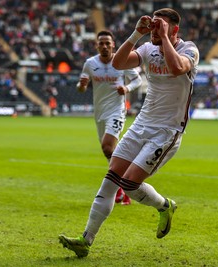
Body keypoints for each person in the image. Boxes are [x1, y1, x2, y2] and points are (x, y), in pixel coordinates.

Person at [59, 8, 199, 257]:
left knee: (131, 184)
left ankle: (165, 205)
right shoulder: (147, 49)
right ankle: (85, 240)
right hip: (140, 125)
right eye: (154, 26)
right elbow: (118, 62)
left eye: (161, 26)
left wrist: (164, 36)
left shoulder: (189, 49)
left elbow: (177, 68)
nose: (155, 31)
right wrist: (136, 33)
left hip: (166, 131)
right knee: (111, 177)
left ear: (174, 29)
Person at [76, 30, 142, 205]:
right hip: (99, 113)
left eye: (108, 43)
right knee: (110, 153)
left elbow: (137, 81)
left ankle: (125, 185)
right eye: (101, 43)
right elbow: (81, 87)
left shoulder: (121, 61)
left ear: (113, 45)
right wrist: (81, 86)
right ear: (96, 45)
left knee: (107, 147)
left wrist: (127, 89)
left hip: (116, 110)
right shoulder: (90, 63)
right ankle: (123, 190)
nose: (104, 46)